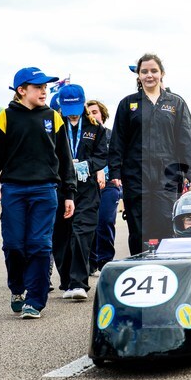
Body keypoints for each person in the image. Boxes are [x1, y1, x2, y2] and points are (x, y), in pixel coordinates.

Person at [0, 66, 76, 320]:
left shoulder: (53, 117)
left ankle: (35, 299)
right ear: (21, 90)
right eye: (38, 87)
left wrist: (69, 193)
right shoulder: (6, 117)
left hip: (46, 190)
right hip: (14, 190)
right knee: (13, 245)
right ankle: (17, 288)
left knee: (40, 245)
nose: (44, 91)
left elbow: (65, 160)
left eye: (45, 87)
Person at [108, 54, 191, 255]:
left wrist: (190, 172)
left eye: (154, 71)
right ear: (138, 75)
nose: (149, 75)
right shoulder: (127, 104)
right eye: (144, 71)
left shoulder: (176, 103)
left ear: (162, 73)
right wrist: (115, 171)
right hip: (135, 175)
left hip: (168, 175)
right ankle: (139, 265)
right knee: (138, 225)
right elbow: (118, 140)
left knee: (166, 220)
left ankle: (168, 265)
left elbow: (185, 139)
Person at [52, 84, 107, 300]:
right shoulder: (54, 127)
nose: (72, 113)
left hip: (87, 188)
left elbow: (103, 155)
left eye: (76, 107)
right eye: (68, 108)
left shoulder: (95, 128)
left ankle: (79, 283)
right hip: (61, 187)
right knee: (61, 236)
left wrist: (86, 165)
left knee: (82, 234)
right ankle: (67, 281)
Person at [86, 99, 121, 276]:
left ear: (102, 114)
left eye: (95, 112)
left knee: (105, 220)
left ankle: (105, 260)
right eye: (89, 112)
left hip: (109, 184)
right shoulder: (85, 136)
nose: (92, 115)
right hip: (89, 186)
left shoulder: (112, 135)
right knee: (90, 223)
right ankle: (91, 262)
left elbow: (119, 157)